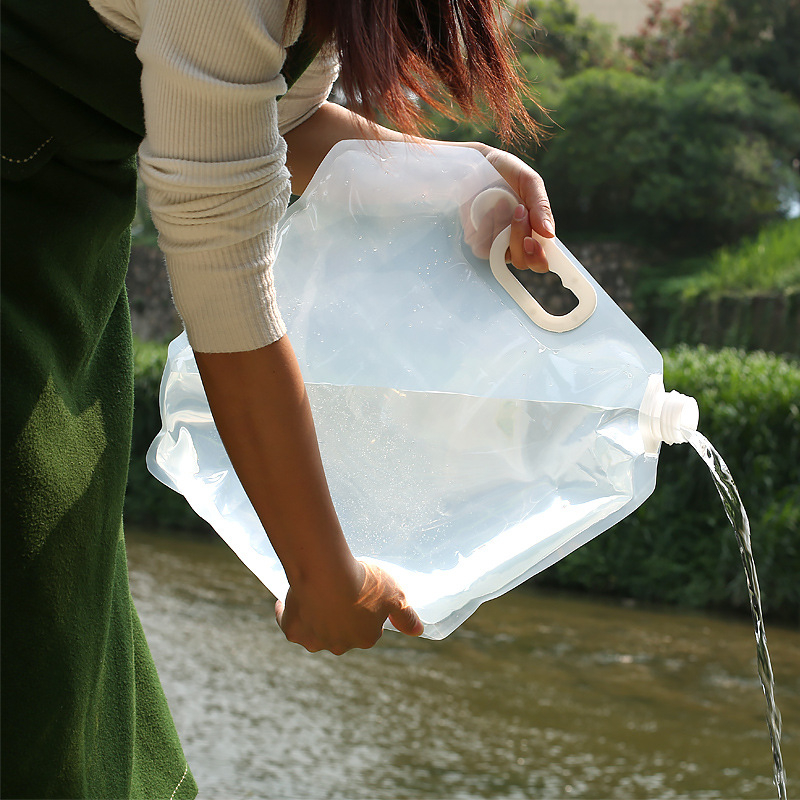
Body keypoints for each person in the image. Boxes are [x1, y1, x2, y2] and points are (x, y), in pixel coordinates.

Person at [0, 0, 556, 796]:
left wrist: (456, 176)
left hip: (60, 264)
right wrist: (325, 574)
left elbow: (265, 125)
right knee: (31, 658)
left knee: (68, 647)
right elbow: (225, 272)